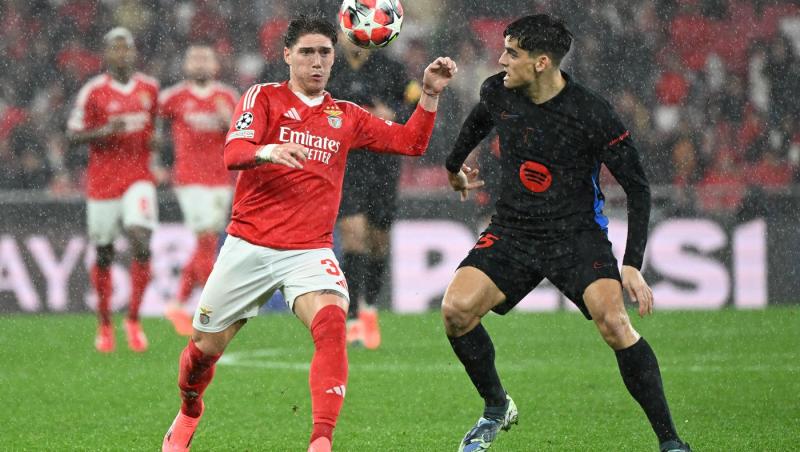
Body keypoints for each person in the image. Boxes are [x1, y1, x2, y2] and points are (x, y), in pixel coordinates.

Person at [161, 15, 456, 452]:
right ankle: (189, 411)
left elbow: (411, 142)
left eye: (324, 53)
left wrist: (429, 93)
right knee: (202, 352)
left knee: (333, 322)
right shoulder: (262, 98)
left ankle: (321, 440)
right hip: (249, 245)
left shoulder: (346, 116)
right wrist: (269, 150)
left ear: (334, 57)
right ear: (287, 56)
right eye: (306, 52)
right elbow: (234, 153)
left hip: (309, 251)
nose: (317, 62)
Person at [441, 15, 691, 452]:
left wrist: (631, 264)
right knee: (456, 311)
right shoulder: (499, 92)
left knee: (614, 323)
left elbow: (638, 187)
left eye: (511, 53)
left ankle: (671, 442)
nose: (501, 60)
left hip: (576, 234)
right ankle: (496, 408)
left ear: (541, 62)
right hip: (514, 229)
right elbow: (481, 120)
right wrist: (454, 167)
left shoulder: (592, 114)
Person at [66, 27, 159, 353]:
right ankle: (105, 322)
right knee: (104, 252)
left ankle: (133, 319)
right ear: (106, 54)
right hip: (103, 183)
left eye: (127, 48)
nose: (123, 54)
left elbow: (155, 129)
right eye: (116, 48)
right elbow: (72, 135)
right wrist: (104, 131)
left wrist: (158, 146)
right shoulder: (93, 91)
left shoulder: (150, 88)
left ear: (134, 52)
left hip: (139, 177)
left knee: (140, 241)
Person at [326, 32, 412, 349]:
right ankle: (350, 319)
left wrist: (394, 116)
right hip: (346, 163)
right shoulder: (329, 67)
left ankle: (370, 307)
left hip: (384, 164)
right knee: (353, 235)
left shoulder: (393, 68)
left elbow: (418, 106)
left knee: (378, 242)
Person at [158, 45, 239, 336]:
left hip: (221, 179)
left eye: (205, 57)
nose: (200, 62)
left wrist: (227, 122)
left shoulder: (228, 97)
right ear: (186, 64)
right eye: (194, 58)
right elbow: (152, 127)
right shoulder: (173, 97)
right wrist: (155, 162)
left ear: (216, 64)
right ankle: (214, 306)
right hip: (189, 179)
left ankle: (178, 305)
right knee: (206, 240)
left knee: (205, 243)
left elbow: (243, 136)